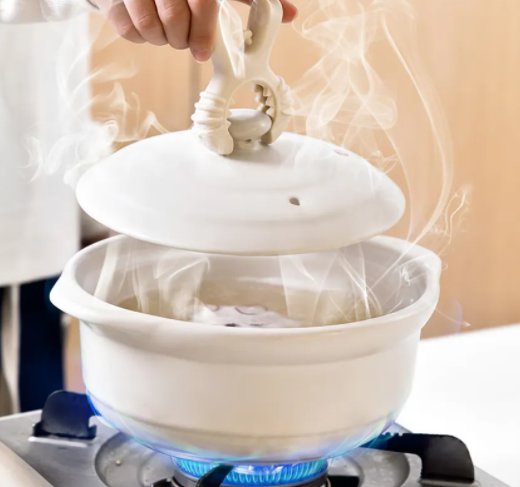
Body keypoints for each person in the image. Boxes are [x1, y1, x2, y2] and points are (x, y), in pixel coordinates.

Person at [0, 0, 297, 414]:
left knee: (30, 415)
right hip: (13, 224)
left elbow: (51, 65)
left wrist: (91, 197)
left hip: (35, 209)